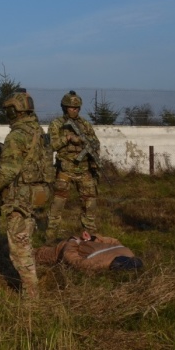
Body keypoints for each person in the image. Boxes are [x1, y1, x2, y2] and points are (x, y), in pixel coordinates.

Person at [0, 88, 54, 298]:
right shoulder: (40, 134)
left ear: (15, 110)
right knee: (25, 242)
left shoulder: (17, 136)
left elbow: (7, 172)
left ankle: (31, 297)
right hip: (35, 194)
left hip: (19, 198)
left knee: (20, 250)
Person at [47, 90, 101, 240]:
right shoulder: (57, 124)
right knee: (58, 204)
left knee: (90, 203)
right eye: (71, 107)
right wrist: (68, 138)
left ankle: (89, 236)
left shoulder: (85, 124)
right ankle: (50, 238)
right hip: (65, 169)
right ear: (64, 108)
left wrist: (89, 149)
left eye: (77, 108)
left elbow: (96, 143)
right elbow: (51, 145)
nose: (74, 110)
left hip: (84, 170)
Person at [35, 231, 143, 271]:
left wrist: (73, 242)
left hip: (62, 250)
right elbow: (114, 241)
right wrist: (92, 238)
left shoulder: (97, 263)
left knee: (35, 255)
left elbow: (71, 258)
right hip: (83, 242)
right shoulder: (127, 252)